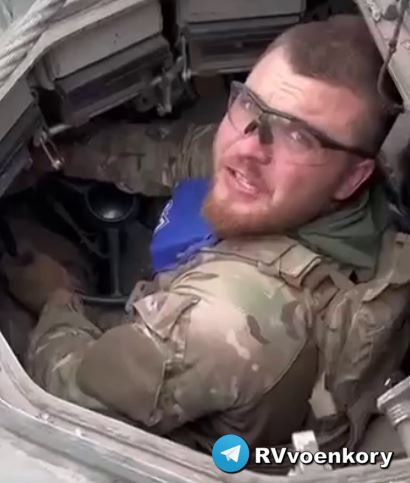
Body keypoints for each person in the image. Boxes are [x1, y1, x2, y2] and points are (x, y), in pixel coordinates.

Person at [2, 15, 410, 471]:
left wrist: (55, 298)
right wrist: (64, 157)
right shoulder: (357, 197)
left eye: (300, 137)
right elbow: (186, 151)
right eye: (250, 105)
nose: (246, 149)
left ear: (353, 177)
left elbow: (68, 393)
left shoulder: (221, 323)